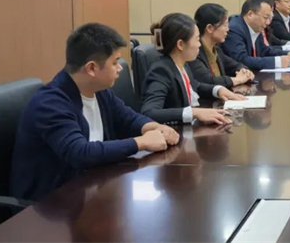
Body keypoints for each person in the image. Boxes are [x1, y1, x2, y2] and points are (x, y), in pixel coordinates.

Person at [11, 23, 180, 201]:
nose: (120, 68)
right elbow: (79, 152)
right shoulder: (50, 103)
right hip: (50, 204)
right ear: (91, 68)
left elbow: (128, 118)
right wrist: (141, 142)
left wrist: (153, 127)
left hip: (92, 188)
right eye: (115, 62)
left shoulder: (99, 91)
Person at [141, 13, 247, 125]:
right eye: (197, 40)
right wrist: (194, 112)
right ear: (181, 44)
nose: (199, 45)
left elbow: (194, 85)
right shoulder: (161, 71)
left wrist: (218, 90)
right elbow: (149, 112)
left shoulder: (182, 63)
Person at [224, 0, 290, 70]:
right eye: (266, 17)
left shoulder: (256, 26)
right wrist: (277, 62)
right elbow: (242, 59)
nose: (268, 22)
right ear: (250, 14)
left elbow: (264, 50)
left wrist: (288, 54)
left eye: (270, 18)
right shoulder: (234, 29)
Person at [188, 3, 254, 88]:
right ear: (209, 28)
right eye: (224, 25)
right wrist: (237, 80)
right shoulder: (195, 52)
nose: (228, 29)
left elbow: (236, 65)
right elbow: (208, 80)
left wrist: (245, 72)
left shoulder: (216, 49)